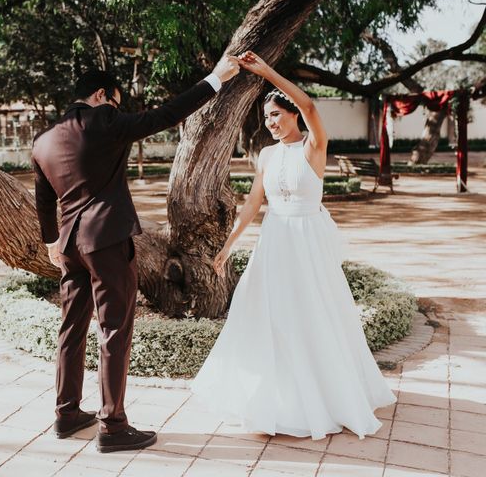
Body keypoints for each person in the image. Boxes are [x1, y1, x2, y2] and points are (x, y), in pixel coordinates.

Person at [32, 58, 239, 453]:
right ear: (101, 96)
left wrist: (51, 243)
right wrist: (217, 78)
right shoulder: (105, 121)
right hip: (106, 241)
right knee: (114, 331)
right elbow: (167, 113)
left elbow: (44, 200)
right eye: (115, 101)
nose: (117, 108)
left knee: (70, 330)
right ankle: (113, 426)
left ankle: (66, 413)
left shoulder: (43, 140)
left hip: (69, 246)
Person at [191, 51, 397, 440]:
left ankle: (324, 396)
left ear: (293, 115)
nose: (270, 123)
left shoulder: (313, 146)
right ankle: (277, 397)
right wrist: (228, 246)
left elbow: (309, 103)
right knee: (269, 317)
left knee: (313, 314)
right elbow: (253, 204)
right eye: (266, 117)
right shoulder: (267, 155)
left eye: (276, 115)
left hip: (307, 243)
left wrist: (266, 72)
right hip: (275, 243)